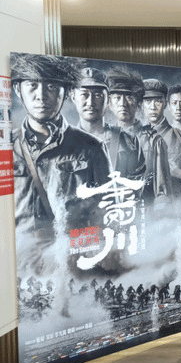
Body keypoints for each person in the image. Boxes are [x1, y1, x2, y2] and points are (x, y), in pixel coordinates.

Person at [11, 54, 111, 275]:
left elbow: (107, 215)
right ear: (18, 90)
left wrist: (79, 252)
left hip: (73, 264)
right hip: (19, 265)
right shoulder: (7, 147)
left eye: (51, 86)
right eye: (32, 85)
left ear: (65, 93)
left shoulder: (91, 147)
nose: (41, 95)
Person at [106, 67, 172, 201]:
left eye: (129, 97)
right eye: (117, 98)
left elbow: (162, 192)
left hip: (144, 209)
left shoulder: (154, 141)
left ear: (138, 104)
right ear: (110, 103)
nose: (123, 104)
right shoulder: (105, 138)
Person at [70, 67, 146, 183]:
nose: (90, 103)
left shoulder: (129, 141)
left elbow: (137, 186)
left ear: (108, 100)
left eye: (98, 95)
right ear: (73, 97)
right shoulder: (64, 143)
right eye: (84, 95)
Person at [143, 79, 181, 195]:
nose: (152, 107)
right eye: (148, 101)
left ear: (165, 104)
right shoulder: (133, 136)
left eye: (158, 101)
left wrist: (179, 173)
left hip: (173, 199)